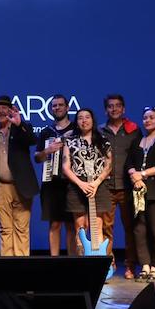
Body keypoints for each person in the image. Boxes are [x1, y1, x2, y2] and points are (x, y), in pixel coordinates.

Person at [0, 95, 38, 256]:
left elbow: (32, 140)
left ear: (10, 110)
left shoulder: (21, 127)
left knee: (21, 228)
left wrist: (20, 124)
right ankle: (7, 265)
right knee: (5, 229)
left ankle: (21, 265)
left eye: (4, 107)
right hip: (1, 187)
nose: (0, 111)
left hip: (22, 186)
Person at [99, 94, 140, 279]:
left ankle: (130, 265)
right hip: (106, 187)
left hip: (128, 187)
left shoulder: (134, 130)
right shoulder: (99, 130)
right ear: (106, 110)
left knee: (131, 228)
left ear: (123, 109)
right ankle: (109, 264)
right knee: (106, 228)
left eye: (117, 106)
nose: (114, 109)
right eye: (110, 106)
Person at [62, 108, 112, 253]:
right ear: (76, 122)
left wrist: (96, 183)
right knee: (80, 226)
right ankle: (82, 261)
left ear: (92, 120)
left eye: (87, 117)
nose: (84, 120)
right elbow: (65, 167)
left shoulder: (103, 140)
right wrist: (81, 184)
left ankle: (98, 260)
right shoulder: (70, 141)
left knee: (97, 225)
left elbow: (109, 165)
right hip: (77, 185)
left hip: (98, 185)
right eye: (80, 118)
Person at [126, 107, 155, 281]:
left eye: (151, 117)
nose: (147, 121)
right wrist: (134, 177)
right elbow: (128, 163)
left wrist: (142, 174)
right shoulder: (137, 140)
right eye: (145, 118)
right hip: (137, 191)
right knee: (139, 230)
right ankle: (144, 265)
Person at [34, 94, 77, 255]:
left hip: (72, 183)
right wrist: (48, 150)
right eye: (54, 105)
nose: (57, 108)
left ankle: (72, 261)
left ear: (67, 107)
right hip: (51, 184)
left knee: (71, 225)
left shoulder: (76, 130)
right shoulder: (46, 132)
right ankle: (55, 261)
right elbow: (37, 158)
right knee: (54, 224)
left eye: (60, 105)